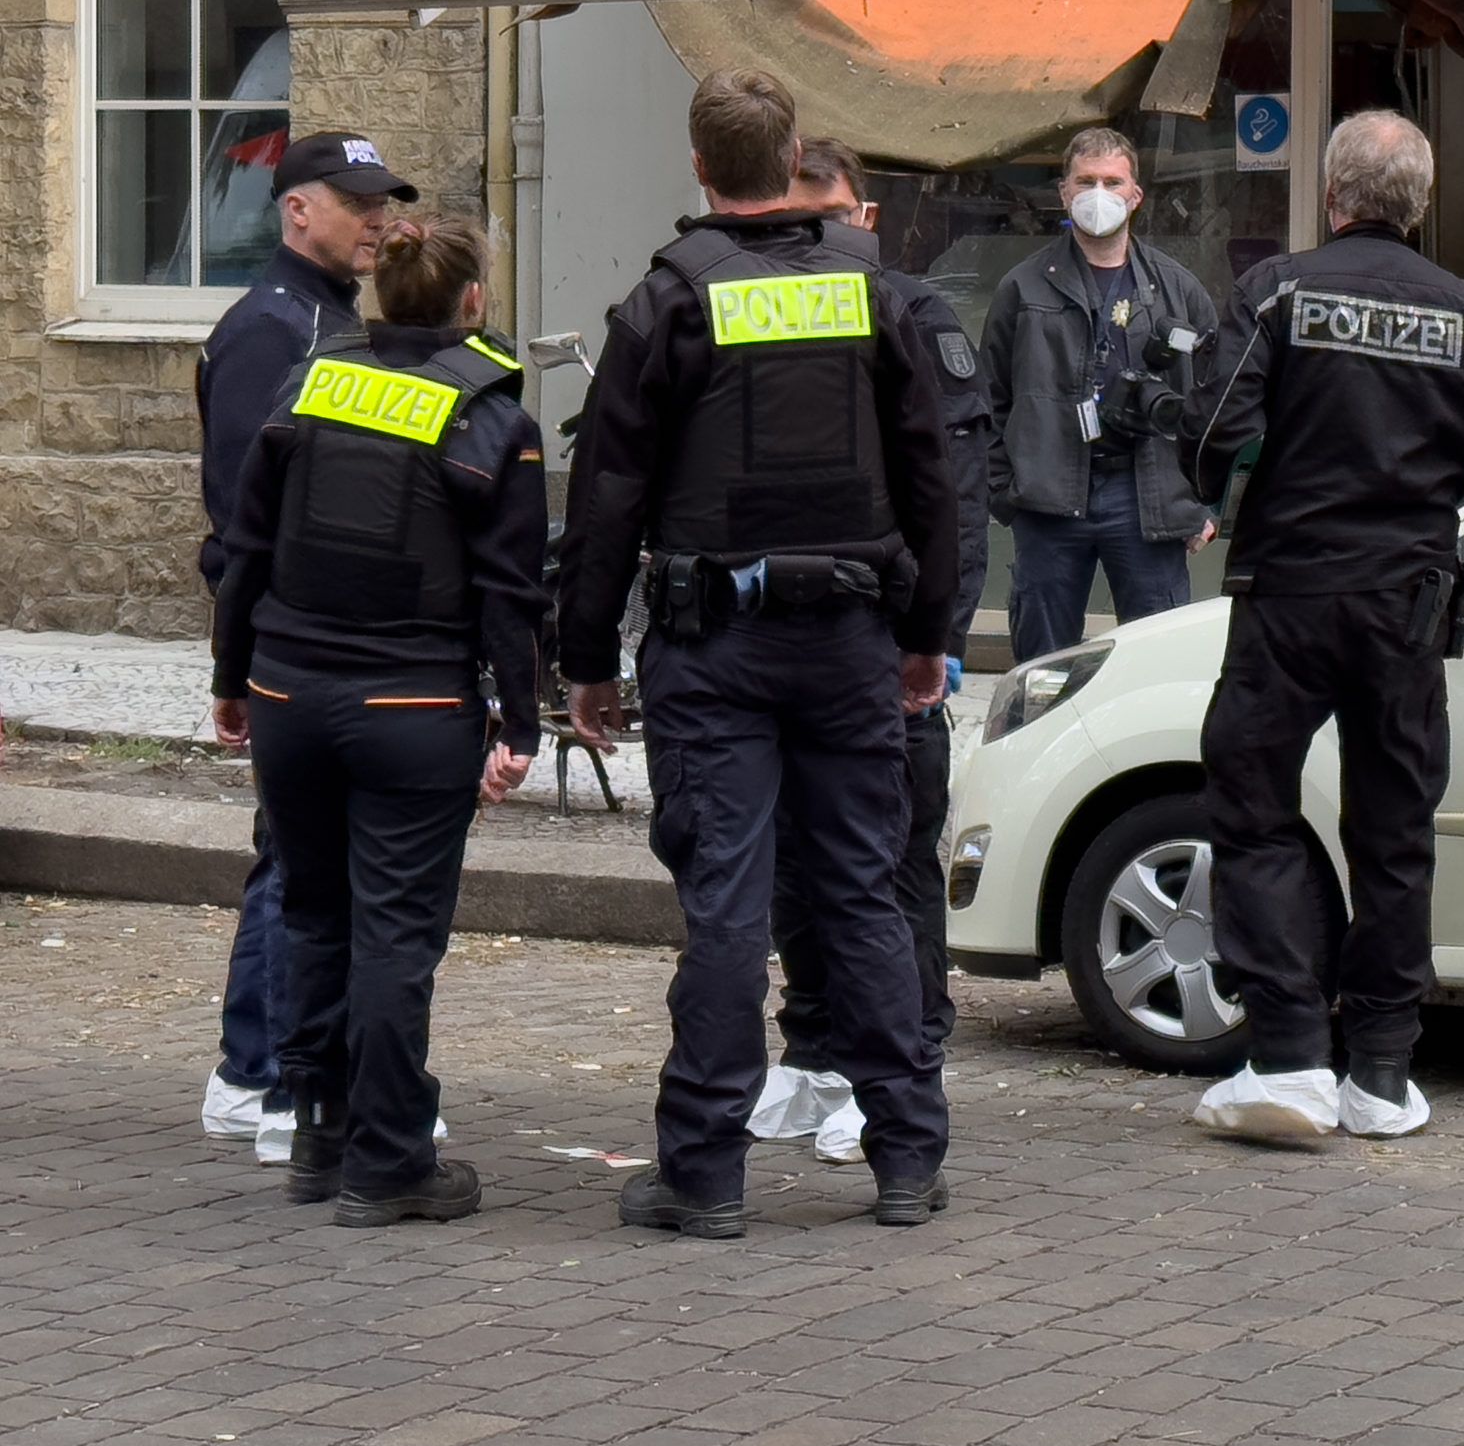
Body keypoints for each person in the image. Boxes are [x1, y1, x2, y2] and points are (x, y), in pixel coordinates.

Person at [557, 69, 960, 1238]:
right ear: (792, 163)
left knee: (729, 909)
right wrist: (927, 636)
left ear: (698, 164)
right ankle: (906, 1158)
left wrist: (587, 659)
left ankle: (705, 1175)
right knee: (865, 892)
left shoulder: (667, 304)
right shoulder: (872, 297)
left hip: (715, 647)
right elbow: (931, 478)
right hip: (849, 642)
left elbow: (607, 495)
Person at [1182, 109, 1464, 1145]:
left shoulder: (1279, 291)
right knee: (1394, 833)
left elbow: (1213, 426)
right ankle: (1383, 1075)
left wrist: (1209, 488)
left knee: (1254, 811)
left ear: (1331, 195)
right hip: (1407, 606)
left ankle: (1289, 1057)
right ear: (1421, 203)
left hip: (1289, 596)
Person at [207, 214, 544, 1225]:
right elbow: (510, 593)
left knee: (314, 915)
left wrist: (231, 676)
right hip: (412, 705)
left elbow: (247, 548)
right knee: (396, 934)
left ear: (383, 294)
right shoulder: (490, 416)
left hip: (289, 694)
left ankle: (320, 1133)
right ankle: (391, 1160)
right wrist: (520, 725)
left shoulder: (307, 386)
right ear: (471, 301)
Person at [752, 138, 991, 1164]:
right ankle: (813, 1051)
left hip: (889, 644)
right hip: (783, 642)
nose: (815, 232)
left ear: (869, 217)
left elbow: (956, 501)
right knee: (791, 862)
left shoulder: (914, 316)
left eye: (832, 213)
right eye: (797, 213)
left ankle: (903, 1062)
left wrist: (935, 638)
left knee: (891, 865)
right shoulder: (752, 308)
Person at [193, 130, 419, 1151]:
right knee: (304, 865)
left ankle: (252, 1065)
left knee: (293, 855)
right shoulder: (268, 330)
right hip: (297, 637)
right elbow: (251, 513)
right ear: (297, 210)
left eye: (382, 204)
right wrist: (251, 653)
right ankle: (276, 1076)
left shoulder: (329, 318)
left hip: (312, 638)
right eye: (357, 204)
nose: (377, 221)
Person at [981, 127, 1222, 665]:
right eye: (1086, 181)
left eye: (1112, 182)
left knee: (1157, 662)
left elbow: (1217, 403)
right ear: (1064, 192)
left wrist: (1202, 503)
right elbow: (990, 399)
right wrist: (1006, 490)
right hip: (1047, 499)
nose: (1099, 194)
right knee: (1044, 667)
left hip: (1146, 498)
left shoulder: (1177, 290)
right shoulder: (1022, 288)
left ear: (1135, 195)